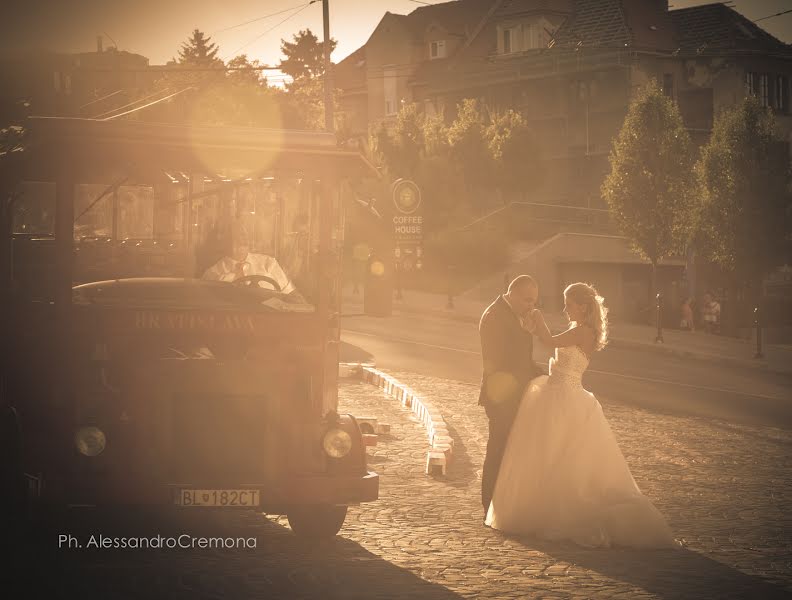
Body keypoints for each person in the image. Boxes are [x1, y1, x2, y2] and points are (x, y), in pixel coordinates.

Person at [485, 282, 677, 548]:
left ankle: (557, 510)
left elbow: (550, 341)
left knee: (562, 454)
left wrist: (538, 320)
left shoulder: (582, 332)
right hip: (559, 392)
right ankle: (546, 503)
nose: (565, 309)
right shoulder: (579, 330)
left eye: (569, 304)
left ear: (582, 307)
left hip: (565, 395)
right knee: (553, 454)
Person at [478, 275, 541, 521]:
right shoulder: (495, 316)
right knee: (496, 453)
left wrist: (543, 374)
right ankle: (489, 508)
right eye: (527, 300)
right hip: (500, 397)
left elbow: (522, 359)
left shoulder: (515, 315)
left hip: (513, 397)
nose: (531, 306)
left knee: (508, 453)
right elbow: (498, 362)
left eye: (534, 301)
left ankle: (501, 505)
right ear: (512, 293)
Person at [202, 221, 297, 295]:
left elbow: (290, 294)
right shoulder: (212, 274)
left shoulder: (269, 263)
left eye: (244, 235)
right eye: (235, 236)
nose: (243, 239)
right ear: (224, 241)